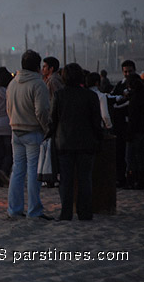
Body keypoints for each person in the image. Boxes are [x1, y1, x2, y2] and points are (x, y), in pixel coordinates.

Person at [48, 63, 103, 221]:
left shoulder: (59, 95)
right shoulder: (90, 96)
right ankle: (84, 212)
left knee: (66, 180)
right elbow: (96, 121)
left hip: (64, 143)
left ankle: (66, 213)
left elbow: (53, 120)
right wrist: (98, 139)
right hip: (86, 144)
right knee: (85, 179)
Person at [6, 50, 51, 219]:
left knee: (17, 171)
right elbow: (42, 111)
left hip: (15, 131)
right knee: (33, 172)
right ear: (37, 66)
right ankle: (34, 210)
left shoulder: (12, 83)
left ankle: (14, 210)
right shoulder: (38, 84)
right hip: (33, 132)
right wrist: (46, 128)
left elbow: (8, 108)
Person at [110, 60, 136, 187]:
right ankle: (121, 178)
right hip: (120, 126)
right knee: (120, 153)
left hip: (134, 127)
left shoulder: (138, 86)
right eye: (125, 71)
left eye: (129, 71)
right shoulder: (120, 85)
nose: (127, 74)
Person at [124, 74, 144, 189]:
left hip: (134, 131)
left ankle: (133, 181)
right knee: (140, 157)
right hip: (140, 130)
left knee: (131, 158)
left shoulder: (134, 98)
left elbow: (133, 117)